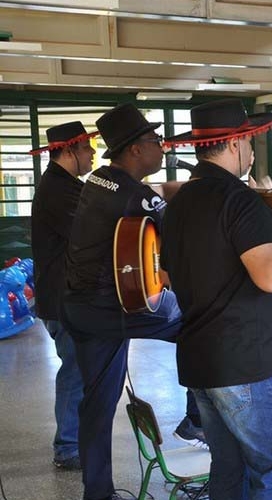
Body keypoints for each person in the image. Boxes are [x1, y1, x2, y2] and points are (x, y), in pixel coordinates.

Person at [160, 99, 272, 500]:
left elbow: (166, 275)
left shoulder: (179, 203)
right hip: (249, 363)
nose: (251, 150)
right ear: (236, 143)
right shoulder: (239, 199)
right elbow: (271, 276)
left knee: (228, 469)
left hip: (202, 359)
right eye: (250, 141)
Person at [59, 104, 202, 500]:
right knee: (204, 326)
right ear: (135, 150)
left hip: (81, 308)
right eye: (155, 141)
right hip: (115, 308)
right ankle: (195, 420)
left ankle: (98, 493)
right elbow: (177, 228)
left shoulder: (98, 182)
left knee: (97, 404)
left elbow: (148, 200)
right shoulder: (133, 195)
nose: (161, 147)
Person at [30, 121, 98, 471]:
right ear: (69, 151)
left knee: (78, 370)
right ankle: (68, 447)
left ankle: (73, 442)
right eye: (87, 148)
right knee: (74, 370)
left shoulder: (65, 185)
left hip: (62, 296)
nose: (92, 154)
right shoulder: (60, 190)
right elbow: (91, 233)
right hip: (62, 298)